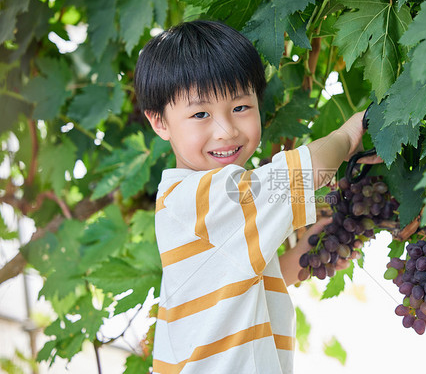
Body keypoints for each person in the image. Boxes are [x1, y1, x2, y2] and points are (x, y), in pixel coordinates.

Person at [134, 20, 381, 374]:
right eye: (200, 114)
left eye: (240, 107)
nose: (227, 130)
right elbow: (299, 174)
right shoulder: (204, 197)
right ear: (159, 122)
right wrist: (349, 132)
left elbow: (235, 289)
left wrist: (297, 258)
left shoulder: (186, 199)